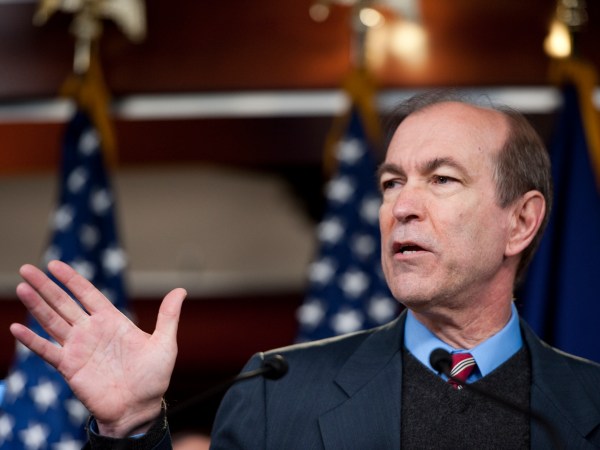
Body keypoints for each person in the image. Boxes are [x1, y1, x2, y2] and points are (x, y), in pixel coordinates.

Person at [9, 90, 600, 449]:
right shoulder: (277, 393)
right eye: (391, 183)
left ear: (520, 222)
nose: (402, 207)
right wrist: (132, 428)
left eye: (442, 179)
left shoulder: (589, 403)